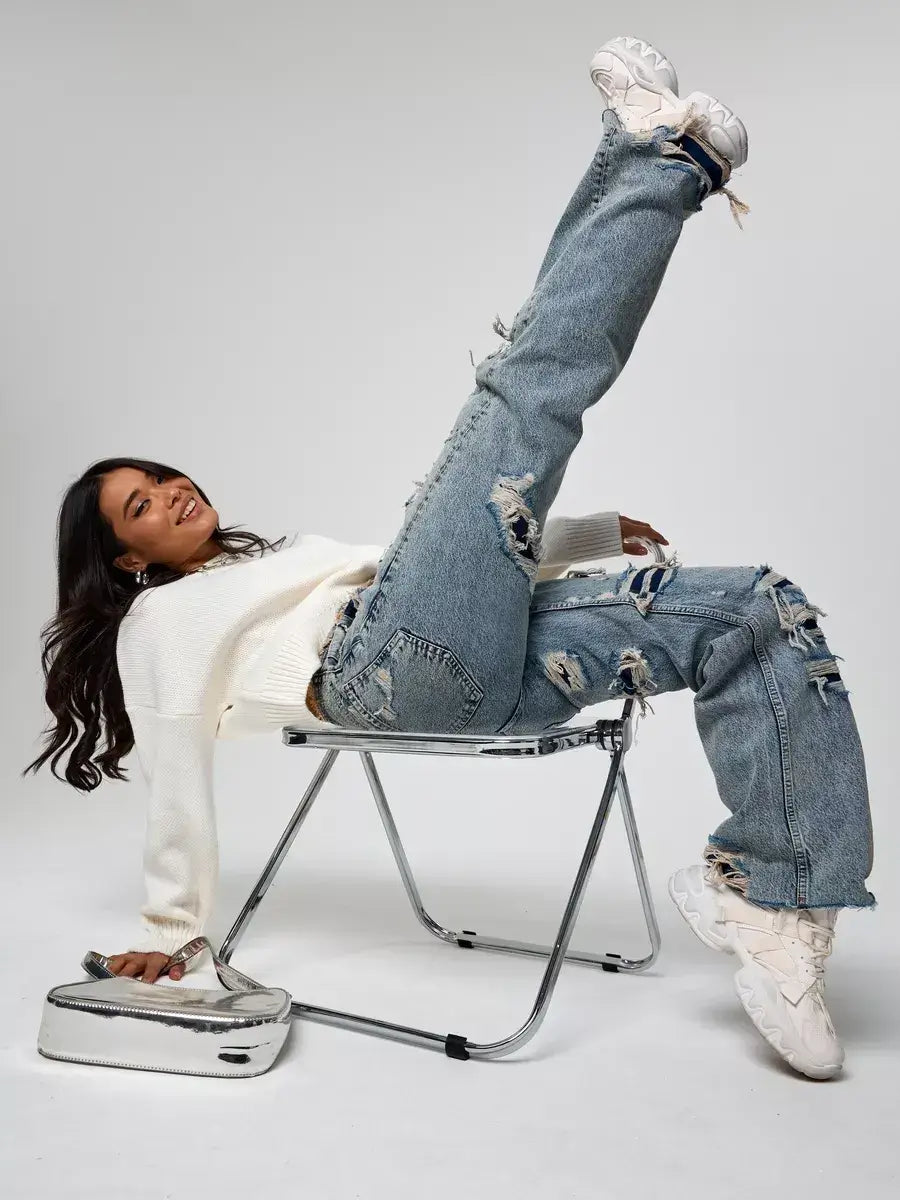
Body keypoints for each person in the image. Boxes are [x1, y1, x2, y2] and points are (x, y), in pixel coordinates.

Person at [25, 36, 874, 1081]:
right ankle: (658, 162)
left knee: (757, 608)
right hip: (379, 674)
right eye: (143, 507)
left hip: (480, 669)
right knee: (524, 396)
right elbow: (172, 765)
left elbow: (438, 562)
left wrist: (585, 539)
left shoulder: (281, 562)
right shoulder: (157, 625)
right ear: (126, 559)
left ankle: (777, 900)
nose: (173, 494)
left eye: (162, 476)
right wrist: (175, 923)